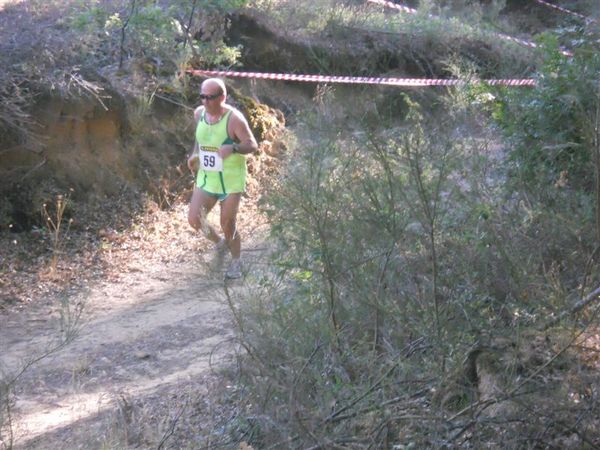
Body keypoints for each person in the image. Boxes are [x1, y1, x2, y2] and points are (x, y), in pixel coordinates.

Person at [187, 78, 258, 279]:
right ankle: (220, 244)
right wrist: (194, 155)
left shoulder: (234, 119)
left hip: (230, 179)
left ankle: (237, 261)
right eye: (202, 96)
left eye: (210, 97)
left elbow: (252, 145)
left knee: (228, 223)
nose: (205, 101)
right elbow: (199, 140)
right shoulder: (199, 114)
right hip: (208, 178)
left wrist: (233, 147)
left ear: (223, 97)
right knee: (194, 219)